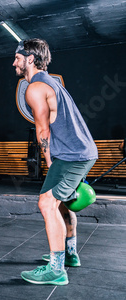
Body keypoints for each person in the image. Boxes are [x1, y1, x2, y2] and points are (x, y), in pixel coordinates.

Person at [13, 38, 98, 285]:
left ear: (30, 59)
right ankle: (69, 254)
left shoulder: (35, 88)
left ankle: (56, 270)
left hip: (72, 155)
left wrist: (49, 161)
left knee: (47, 203)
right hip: (78, 152)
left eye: (17, 58)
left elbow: (43, 131)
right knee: (60, 204)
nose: (14, 63)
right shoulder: (51, 82)